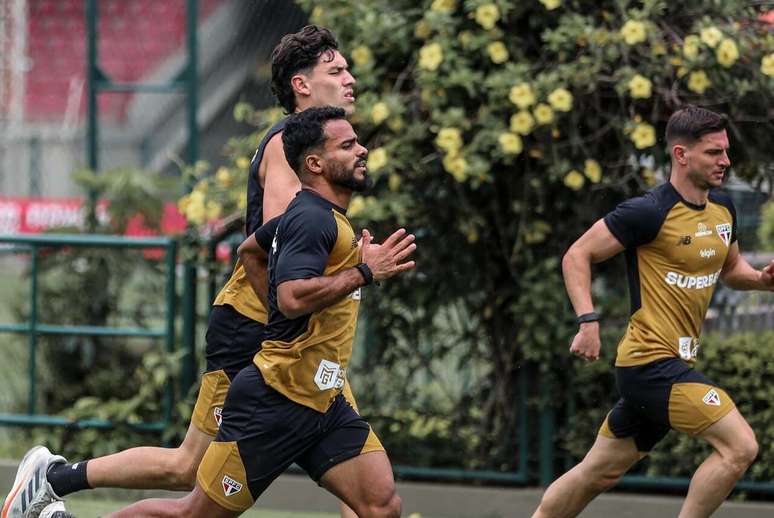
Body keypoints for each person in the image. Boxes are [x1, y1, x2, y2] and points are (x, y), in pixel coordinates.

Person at [1, 25, 362, 518]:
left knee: (357, 468)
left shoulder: (319, 146)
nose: (350, 79)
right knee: (189, 467)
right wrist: (340, 274)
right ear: (301, 85)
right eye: (336, 70)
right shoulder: (288, 146)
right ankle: (53, 478)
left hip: (303, 333)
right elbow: (280, 240)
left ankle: (54, 477)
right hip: (261, 327)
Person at [105, 106, 415, 517]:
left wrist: (346, 271)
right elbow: (291, 297)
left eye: (357, 142)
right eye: (348, 145)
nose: (363, 150)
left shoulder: (321, 218)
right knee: (191, 514)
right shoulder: (311, 219)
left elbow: (249, 250)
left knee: (380, 505)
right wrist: (363, 271)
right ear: (315, 163)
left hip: (324, 403)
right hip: (273, 403)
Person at [532, 105, 774, 518]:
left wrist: (763, 280)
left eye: (726, 151)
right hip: (648, 363)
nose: (726, 161)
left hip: (673, 364)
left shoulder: (724, 211)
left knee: (598, 473)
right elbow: (578, 255)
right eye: (714, 153)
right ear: (681, 155)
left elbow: (732, 269)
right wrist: (587, 322)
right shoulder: (648, 211)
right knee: (740, 446)